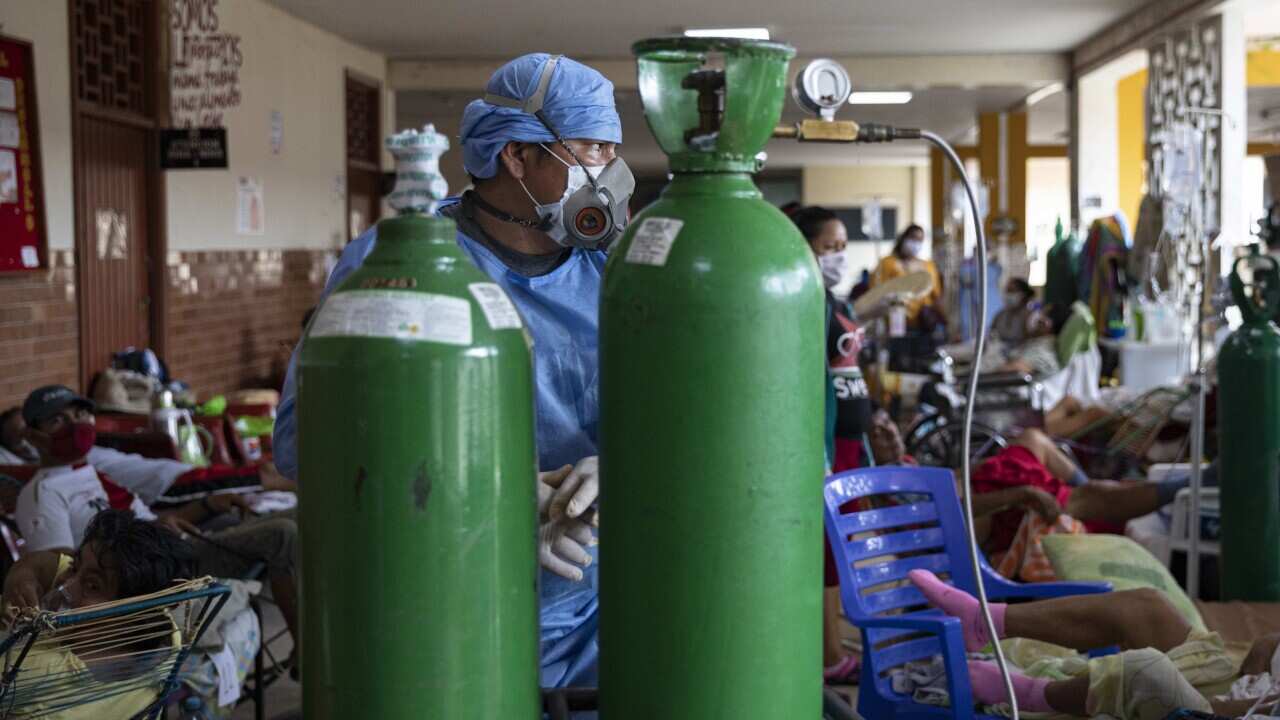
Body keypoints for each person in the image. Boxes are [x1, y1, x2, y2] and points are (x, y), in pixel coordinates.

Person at [274, 53, 628, 689]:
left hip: (595, 603)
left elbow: (675, 420)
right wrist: (493, 491)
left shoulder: (613, 271)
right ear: (517, 157)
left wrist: (629, 464)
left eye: (612, 150)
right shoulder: (396, 263)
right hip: (438, 598)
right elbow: (305, 438)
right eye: (589, 149)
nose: (609, 171)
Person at [13, 386, 300, 655]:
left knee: (296, 515)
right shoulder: (42, 494)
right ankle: (307, 652)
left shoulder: (92, 472)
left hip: (171, 546)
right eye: (59, 420)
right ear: (33, 435)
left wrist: (206, 505)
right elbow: (58, 568)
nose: (76, 424)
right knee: (282, 534)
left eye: (80, 414)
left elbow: (149, 520)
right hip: (152, 572)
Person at [907, 569, 1279, 719]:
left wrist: (1244, 703)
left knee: (1143, 670)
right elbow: (1265, 644)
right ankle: (985, 621)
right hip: (1247, 689)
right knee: (1146, 607)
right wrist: (1261, 661)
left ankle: (1029, 695)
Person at [0, 508, 198, 719]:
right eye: (75, 568)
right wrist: (22, 577)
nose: (66, 587)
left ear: (133, 615)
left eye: (92, 586)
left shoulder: (32, 671)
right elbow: (44, 562)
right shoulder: (167, 631)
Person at [791, 206, 876, 683]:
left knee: (840, 547)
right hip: (827, 443)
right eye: (830, 247)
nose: (838, 256)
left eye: (843, 247)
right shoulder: (805, 301)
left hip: (849, 437)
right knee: (825, 550)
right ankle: (825, 657)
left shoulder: (834, 301)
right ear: (804, 246)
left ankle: (831, 644)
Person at [872, 224, 945, 332]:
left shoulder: (928, 266)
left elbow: (937, 297)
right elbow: (875, 293)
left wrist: (944, 320)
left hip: (924, 324)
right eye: (913, 238)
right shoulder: (887, 264)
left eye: (920, 240)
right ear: (904, 238)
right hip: (895, 324)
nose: (916, 243)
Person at [992, 278, 1035, 345]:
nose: (1007, 295)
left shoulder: (1030, 317)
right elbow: (992, 334)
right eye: (1006, 291)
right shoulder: (1000, 314)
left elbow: (1030, 343)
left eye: (1011, 291)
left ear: (1022, 295)